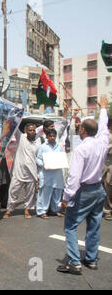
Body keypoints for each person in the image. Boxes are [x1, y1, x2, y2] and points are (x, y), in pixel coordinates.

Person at [57, 95, 109, 275]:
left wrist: (66, 198)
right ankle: (92, 259)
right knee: (94, 225)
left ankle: (74, 262)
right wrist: (103, 108)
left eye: (80, 128)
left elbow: (74, 177)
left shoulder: (82, 149)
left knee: (70, 225)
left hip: (85, 190)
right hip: (98, 189)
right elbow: (103, 128)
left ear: (84, 131)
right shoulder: (102, 142)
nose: (78, 130)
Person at [3, 123, 41, 219]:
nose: (32, 132)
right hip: (19, 170)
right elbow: (14, 128)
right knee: (13, 190)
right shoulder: (21, 137)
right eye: (30, 130)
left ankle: (27, 209)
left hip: (32, 171)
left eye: (33, 130)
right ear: (26, 131)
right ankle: (10, 209)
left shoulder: (38, 140)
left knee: (30, 192)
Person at [35, 129, 65, 219]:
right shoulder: (43, 147)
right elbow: (38, 159)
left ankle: (55, 210)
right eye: (50, 136)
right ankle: (42, 211)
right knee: (45, 193)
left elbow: (62, 156)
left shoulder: (59, 146)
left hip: (57, 173)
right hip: (46, 173)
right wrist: (44, 165)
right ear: (47, 137)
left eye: (54, 136)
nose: (52, 138)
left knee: (57, 192)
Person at [102, 115, 112, 221]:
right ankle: (107, 210)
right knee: (107, 187)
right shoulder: (106, 136)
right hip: (108, 165)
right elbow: (104, 149)